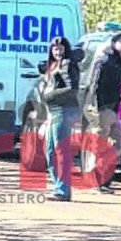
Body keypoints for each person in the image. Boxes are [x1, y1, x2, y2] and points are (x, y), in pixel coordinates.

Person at [82, 33, 121, 193]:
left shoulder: (119, 63)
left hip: (113, 110)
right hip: (101, 109)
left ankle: (98, 173)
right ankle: (94, 181)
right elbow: (94, 85)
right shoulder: (104, 60)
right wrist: (97, 108)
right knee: (98, 146)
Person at [43, 37, 80, 202]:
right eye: (55, 49)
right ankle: (59, 186)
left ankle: (63, 190)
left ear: (66, 49)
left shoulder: (67, 64)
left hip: (63, 111)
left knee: (60, 151)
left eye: (60, 49)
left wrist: (50, 96)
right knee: (50, 151)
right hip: (52, 112)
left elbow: (73, 88)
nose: (58, 52)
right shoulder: (53, 65)